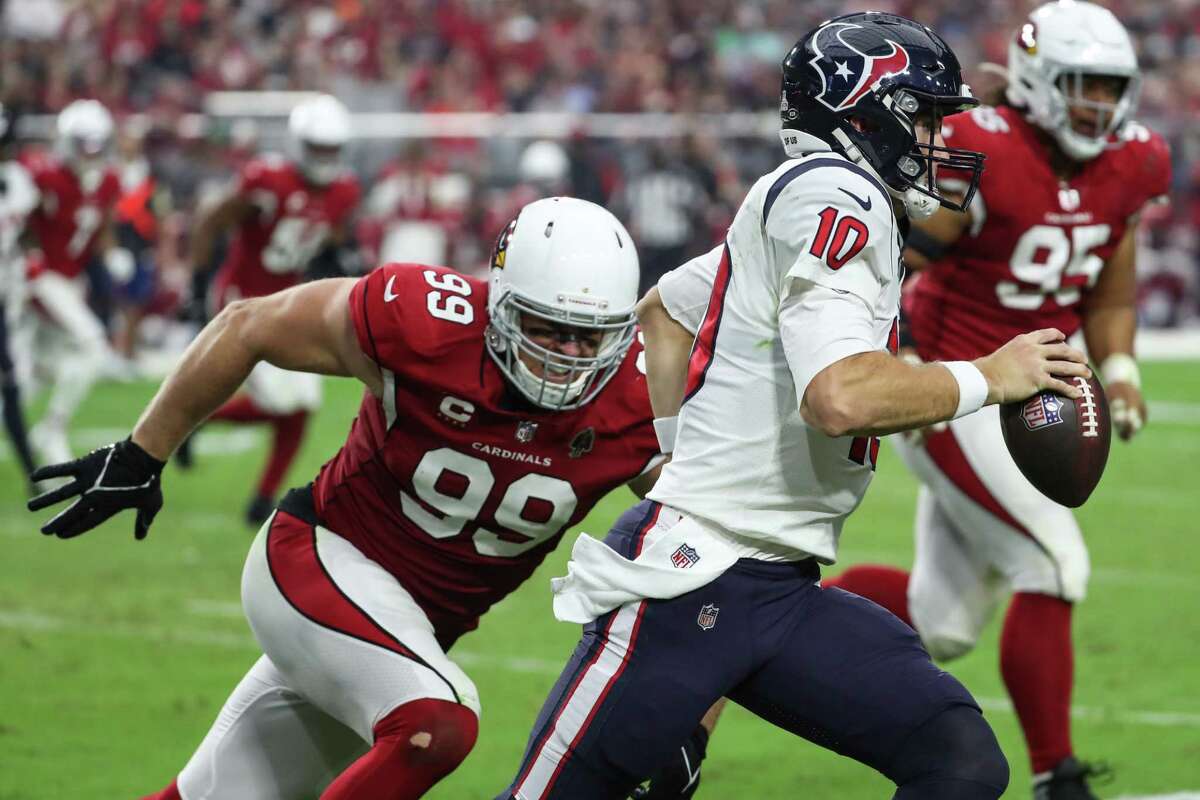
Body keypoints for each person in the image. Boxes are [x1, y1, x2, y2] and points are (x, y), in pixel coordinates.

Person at [496, 13, 1093, 800]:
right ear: (862, 113)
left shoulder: (800, 196)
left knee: (960, 760)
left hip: (776, 588)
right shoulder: (837, 197)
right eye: (922, 117)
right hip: (691, 582)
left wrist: (674, 452)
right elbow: (839, 398)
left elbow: (666, 318)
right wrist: (989, 375)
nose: (940, 141)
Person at [28, 197, 713, 800]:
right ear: (500, 304)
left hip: (400, 637)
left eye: (588, 336)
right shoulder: (423, 321)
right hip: (316, 561)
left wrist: (696, 706)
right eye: (544, 328)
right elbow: (248, 325)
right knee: (438, 722)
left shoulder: (639, 399)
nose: (567, 356)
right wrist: (143, 452)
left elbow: (701, 546)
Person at [822, 4, 1171, 798]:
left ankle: (770, 625)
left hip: (1038, 378)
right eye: (1082, 86)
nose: (1097, 107)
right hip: (960, 384)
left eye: (1111, 89)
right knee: (1053, 561)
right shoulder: (984, 146)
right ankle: (1060, 775)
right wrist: (900, 345)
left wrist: (1119, 368)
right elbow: (896, 251)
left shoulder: (1137, 161)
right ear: (1040, 79)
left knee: (938, 622)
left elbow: (1110, 280)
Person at [182, 93, 361, 525]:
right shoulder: (267, 179)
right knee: (284, 403)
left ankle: (260, 497)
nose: (325, 157)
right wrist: (197, 286)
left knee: (299, 405)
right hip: (242, 298)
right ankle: (192, 416)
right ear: (300, 144)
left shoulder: (344, 190)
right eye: (318, 148)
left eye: (331, 149)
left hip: (286, 300)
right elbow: (211, 222)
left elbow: (331, 247)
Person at [16, 99, 126, 467]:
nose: (91, 152)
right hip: (37, 275)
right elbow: (17, 220)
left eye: (97, 144)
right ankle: (53, 429)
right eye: (84, 144)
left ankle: (35, 428)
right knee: (92, 343)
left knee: (34, 372)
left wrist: (112, 254)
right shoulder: (42, 174)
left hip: (69, 279)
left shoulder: (107, 180)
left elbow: (102, 226)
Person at [0, 101, 39, 490]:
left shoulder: (17, 180)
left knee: (11, 385)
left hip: (4, 296)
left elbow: (27, 231)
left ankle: (30, 471)